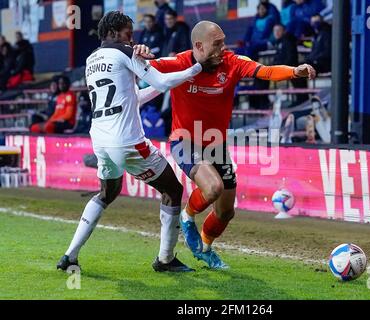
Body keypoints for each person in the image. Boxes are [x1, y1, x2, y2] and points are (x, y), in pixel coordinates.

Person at [150, 20, 316, 269]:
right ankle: (187, 216)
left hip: (217, 143)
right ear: (198, 45)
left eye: (223, 42)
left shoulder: (232, 62)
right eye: (216, 44)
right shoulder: (179, 63)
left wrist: (294, 71)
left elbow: (266, 72)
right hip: (185, 139)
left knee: (226, 211)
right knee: (213, 187)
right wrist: (138, 52)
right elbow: (142, 65)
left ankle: (205, 248)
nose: (222, 48)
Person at [56, 10, 203, 273]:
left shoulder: (91, 60)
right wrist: (196, 67)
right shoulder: (124, 53)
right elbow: (161, 79)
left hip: (100, 139)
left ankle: (70, 255)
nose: (132, 39)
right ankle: (166, 259)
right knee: (173, 190)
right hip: (127, 142)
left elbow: (133, 96)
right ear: (113, 32)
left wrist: (165, 83)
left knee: (107, 193)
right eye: (128, 33)